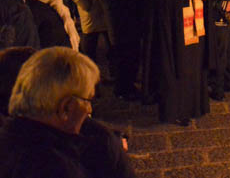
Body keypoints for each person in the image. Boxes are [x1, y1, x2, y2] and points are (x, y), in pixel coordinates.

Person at [0, 46, 135, 178]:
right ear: (66, 107)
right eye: (87, 100)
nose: (89, 109)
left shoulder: (10, 140)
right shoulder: (54, 167)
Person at [148, 0, 212, 125]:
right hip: (176, 31)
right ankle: (178, 111)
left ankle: (196, 106)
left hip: (196, 27)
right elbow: (162, 1)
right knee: (179, 69)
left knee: (195, 67)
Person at [95, 0, 141, 101]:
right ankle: (123, 89)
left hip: (131, 23)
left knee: (132, 57)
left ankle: (129, 85)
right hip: (121, 28)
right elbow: (112, 13)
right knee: (124, 59)